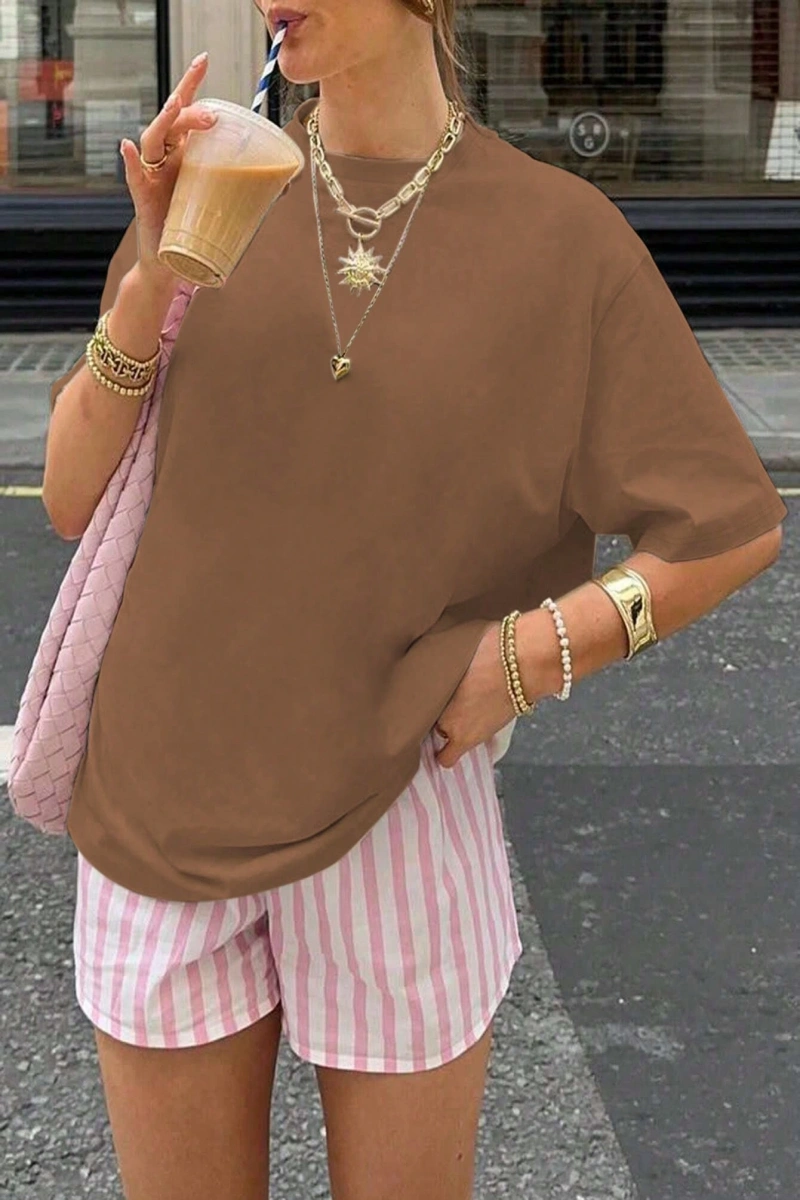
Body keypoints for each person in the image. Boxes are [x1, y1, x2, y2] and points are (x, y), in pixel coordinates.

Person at [42, 0, 787, 1197]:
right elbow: (71, 495)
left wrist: (524, 658)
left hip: (399, 791)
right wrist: (149, 280)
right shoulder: (219, 182)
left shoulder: (558, 240)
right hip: (158, 785)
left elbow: (727, 526)